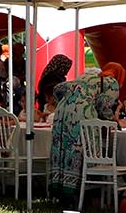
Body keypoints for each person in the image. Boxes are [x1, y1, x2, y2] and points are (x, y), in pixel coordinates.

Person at [49, 67, 121, 203]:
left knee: (62, 148)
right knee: (81, 148)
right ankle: (81, 193)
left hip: (62, 112)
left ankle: (60, 189)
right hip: (81, 113)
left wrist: (63, 103)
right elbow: (104, 105)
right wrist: (112, 119)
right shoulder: (112, 82)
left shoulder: (84, 77)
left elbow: (57, 88)